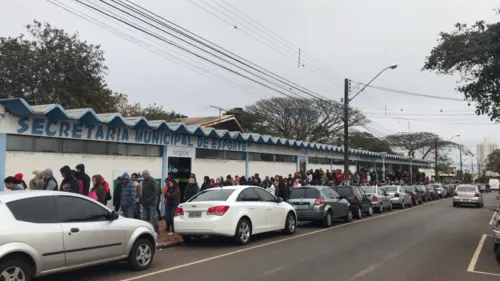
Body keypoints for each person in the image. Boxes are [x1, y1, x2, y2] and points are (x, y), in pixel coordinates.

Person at [140, 170, 160, 235]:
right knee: (145, 218)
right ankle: (145, 231)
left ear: (148, 174)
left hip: (152, 203)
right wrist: (142, 200)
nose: (144, 176)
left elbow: (156, 191)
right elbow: (142, 192)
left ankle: (157, 231)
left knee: (153, 218)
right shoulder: (143, 181)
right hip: (145, 203)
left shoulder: (153, 181)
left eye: (145, 174)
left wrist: (150, 199)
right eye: (143, 175)